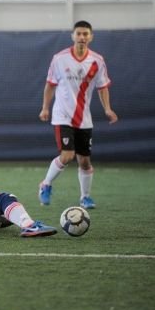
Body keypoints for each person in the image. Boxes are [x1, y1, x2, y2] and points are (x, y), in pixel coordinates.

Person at [38, 20, 118, 209]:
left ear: (91, 37)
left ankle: (85, 197)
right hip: (62, 115)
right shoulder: (60, 58)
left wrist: (107, 108)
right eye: (79, 33)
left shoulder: (97, 61)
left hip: (84, 119)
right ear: (72, 36)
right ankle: (46, 185)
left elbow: (103, 87)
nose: (82, 37)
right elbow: (50, 85)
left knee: (84, 162)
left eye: (85, 34)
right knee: (67, 155)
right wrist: (45, 107)